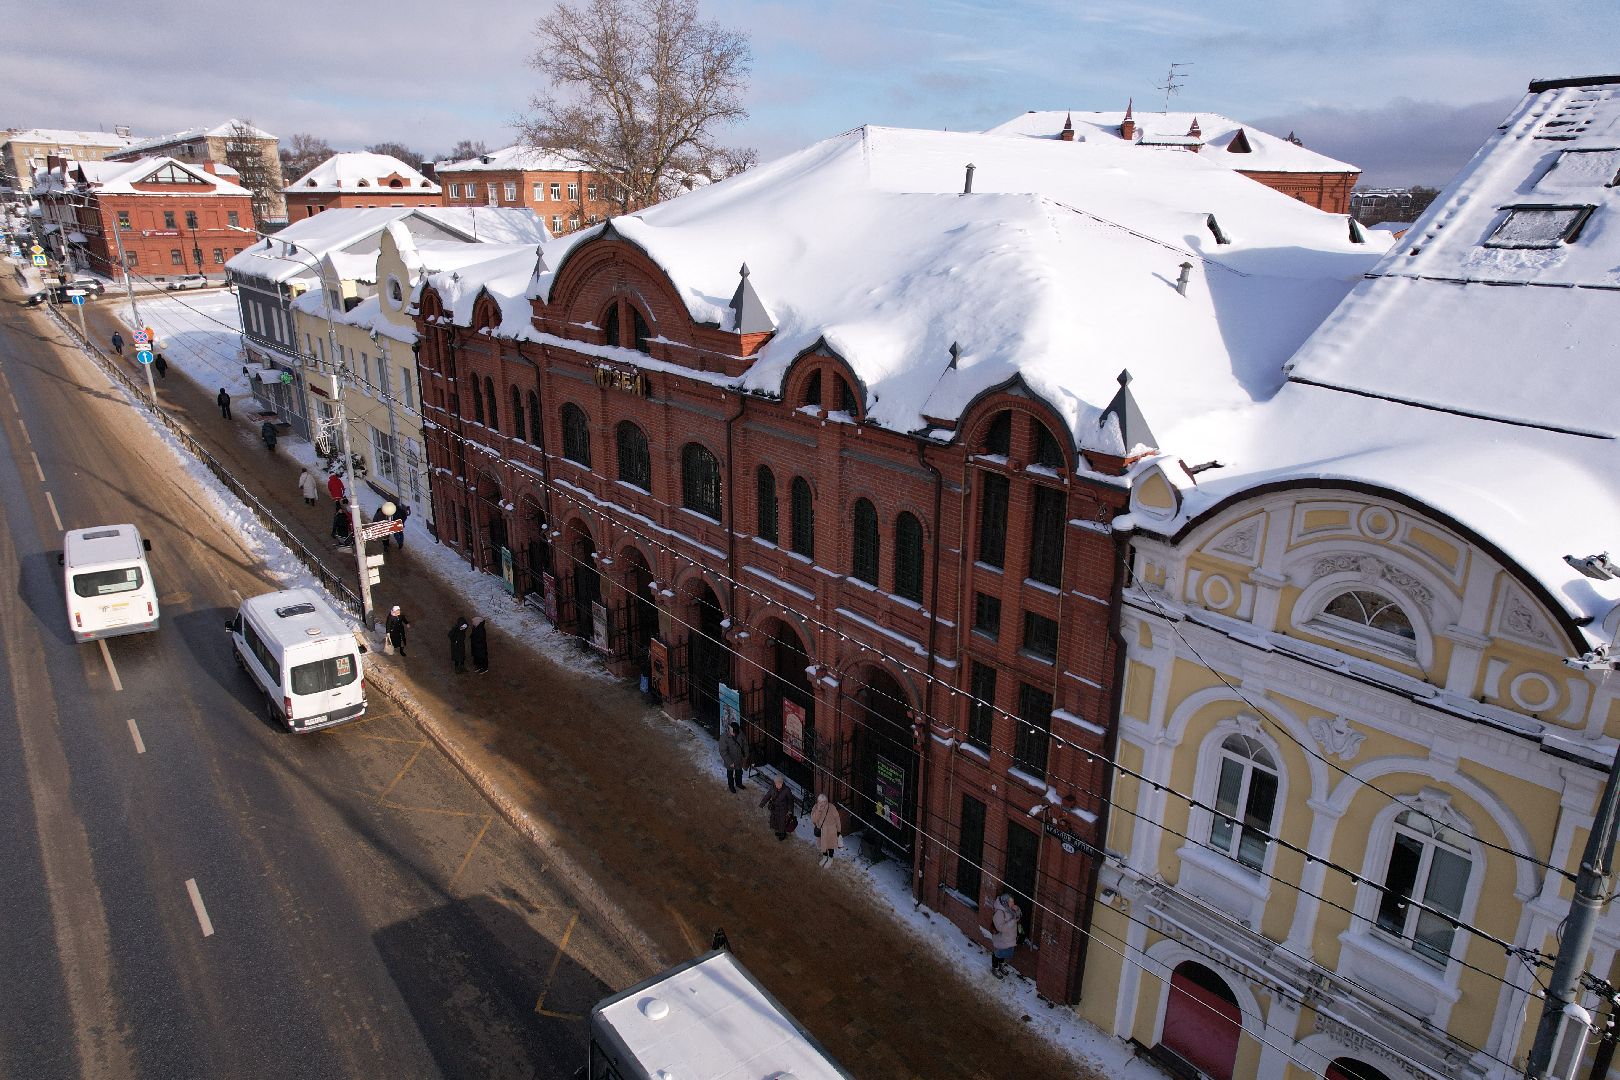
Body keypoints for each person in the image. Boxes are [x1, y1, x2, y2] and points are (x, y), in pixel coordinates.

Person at [990, 893, 1022, 979]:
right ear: (1005, 902)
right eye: (1011, 902)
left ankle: (1001, 966)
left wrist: (1017, 910)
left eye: (1013, 901)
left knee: (1004, 953)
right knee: (997, 954)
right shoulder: (999, 913)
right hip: (1001, 939)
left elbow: (1018, 916)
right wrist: (1013, 921)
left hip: (1009, 938)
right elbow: (1000, 928)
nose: (1013, 904)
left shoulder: (1010, 909)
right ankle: (995, 968)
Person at [759, 774, 796, 841]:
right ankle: (779, 831)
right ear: (775, 783)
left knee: (782, 822)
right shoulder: (772, 788)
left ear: (782, 783)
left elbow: (790, 801)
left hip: (783, 809)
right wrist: (762, 804)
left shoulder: (787, 790)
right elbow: (767, 796)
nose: (778, 785)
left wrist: (790, 811)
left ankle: (782, 834)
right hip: (775, 808)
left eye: (780, 783)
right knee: (775, 820)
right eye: (777, 783)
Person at [811, 793, 842, 867]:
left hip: (830, 830)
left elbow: (837, 819)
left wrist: (838, 830)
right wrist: (818, 810)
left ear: (826, 801)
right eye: (820, 802)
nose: (822, 803)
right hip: (821, 830)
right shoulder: (816, 807)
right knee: (822, 845)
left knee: (830, 845)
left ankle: (830, 858)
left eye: (824, 801)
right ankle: (824, 857)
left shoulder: (832, 807)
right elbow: (814, 819)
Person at [720, 720, 749, 793]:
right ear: (730, 729)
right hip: (730, 760)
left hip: (739, 759)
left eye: (735, 733)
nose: (734, 734)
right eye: (733, 733)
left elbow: (745, 744)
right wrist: (730, 762)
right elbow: (723, 751)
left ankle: (739, 784)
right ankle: (731, 786)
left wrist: (746, 754)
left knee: (739, 773)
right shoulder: (724, 737)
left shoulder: (740, 733)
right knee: (730, 774)